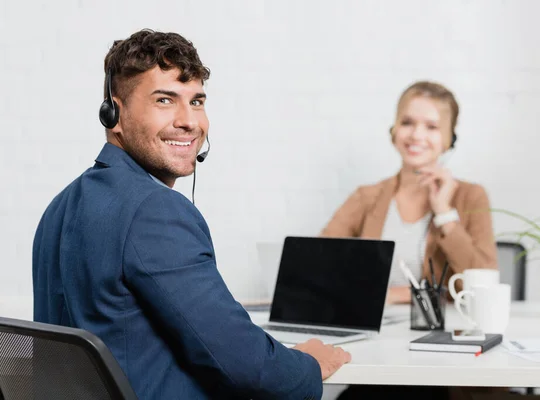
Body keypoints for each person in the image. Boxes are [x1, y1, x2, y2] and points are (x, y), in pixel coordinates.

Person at [32, 29, 350, 400]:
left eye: (197, 102)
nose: (190, 121)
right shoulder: (155, 210)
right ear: (113, 115)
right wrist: (307, 363)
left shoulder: (60, 206)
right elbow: (252, 369)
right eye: (165, 100)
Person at [322, 81, 498, 400]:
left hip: (440, 357)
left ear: (449, 138)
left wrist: (445, 212)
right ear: (393, 131)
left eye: (431, 126)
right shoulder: (368, 197)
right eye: (407, 123)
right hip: (376, 347)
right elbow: (319, 265)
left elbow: (483, 281)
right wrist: (393, 296)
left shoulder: (470, 196)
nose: (416, 135)